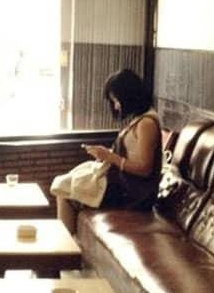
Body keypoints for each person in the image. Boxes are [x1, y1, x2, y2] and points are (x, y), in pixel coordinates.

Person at [57, 68, 162, 234]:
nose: (116, 106)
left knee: (64, 190)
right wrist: (106, 155)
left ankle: (67, 247)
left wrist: (111, 157)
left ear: (128, 96)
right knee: (65, 184)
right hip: (124, 184)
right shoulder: (138, 119)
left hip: (134, 193)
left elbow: (145, 168)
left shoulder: (146, 124)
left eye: (116, 100)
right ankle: (70, 243)